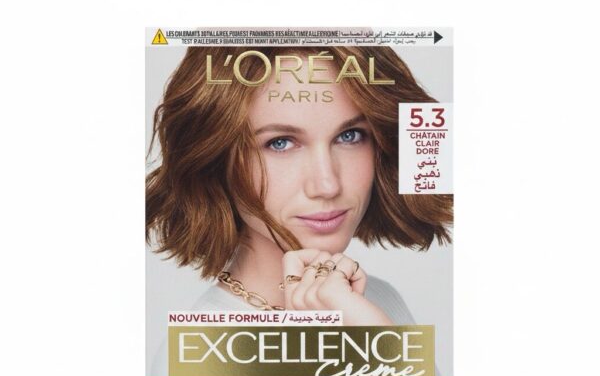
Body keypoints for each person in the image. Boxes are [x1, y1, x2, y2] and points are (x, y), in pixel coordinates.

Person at [146, 46, 452, 326]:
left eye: (349, 136)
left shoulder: (377, 301)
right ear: (214, 159)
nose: (327, 185)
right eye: (280, 143)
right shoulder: (201, 348)